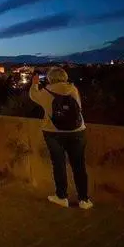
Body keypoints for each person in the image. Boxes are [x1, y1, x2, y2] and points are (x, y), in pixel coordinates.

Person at [29, 67, 92, 209]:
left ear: (50, 78)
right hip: (77, 131)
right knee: (79, 165)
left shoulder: (45, 92)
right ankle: (84, 199)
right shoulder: (73, 90)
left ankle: (62, 196)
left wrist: (34, 83)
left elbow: (33, 95)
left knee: (59, 165)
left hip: (53, 132)